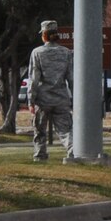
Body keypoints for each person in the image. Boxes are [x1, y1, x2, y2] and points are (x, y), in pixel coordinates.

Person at [26, 20, 73, 161]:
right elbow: (71, 77)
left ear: (44, 35)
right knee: (66, 130)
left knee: (40, 130)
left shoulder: (37, 53)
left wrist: (30, 100)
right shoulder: (66, 53)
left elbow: (34, 78)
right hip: (61, 98)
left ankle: (40, 155)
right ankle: (72, 151)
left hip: (43, 99)